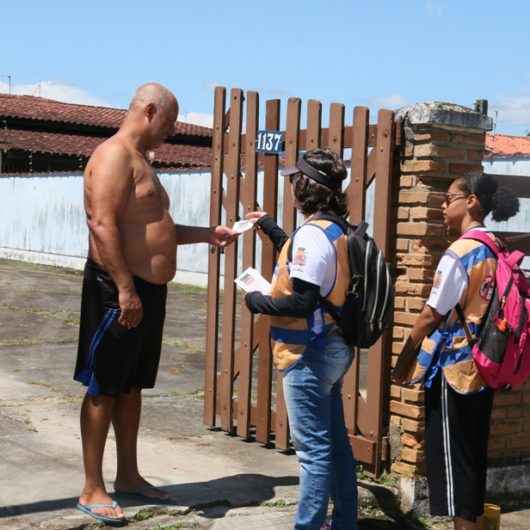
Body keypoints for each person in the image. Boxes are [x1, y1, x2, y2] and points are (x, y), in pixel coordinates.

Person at [74, 83, 237, 525]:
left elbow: (156, 227)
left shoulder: (142, 162)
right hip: (116, 290)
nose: (169, 134)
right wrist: (125, 288)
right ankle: (92, 487)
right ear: (149, 111)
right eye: (168, 124)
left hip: (147, 292)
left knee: (131, 386)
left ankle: (128, 475)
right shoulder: (113, 157)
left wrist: (208, 234)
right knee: (104, 387)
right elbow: (102, 226)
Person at [393, 174, 519, 530]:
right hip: (485, 366)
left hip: (455, 369)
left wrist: (406, 358)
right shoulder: (496, 245)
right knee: (472, 458)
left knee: (454, 469)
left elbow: (431, 313)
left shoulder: (461, 251)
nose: (442, 205)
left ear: (473, 202)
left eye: (449, 198)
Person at [245, 148, 358, 530]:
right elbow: (310, 270)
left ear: (305, 187)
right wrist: (272, 228)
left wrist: (256, 300)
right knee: (336, 445)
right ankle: (344, 523)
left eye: (295, 179)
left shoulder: (312, 234)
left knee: (313, 452)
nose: (291, 184)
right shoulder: (337, 227)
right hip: (335, 344)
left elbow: (302, 300)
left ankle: (307, 525)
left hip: (309, 351)